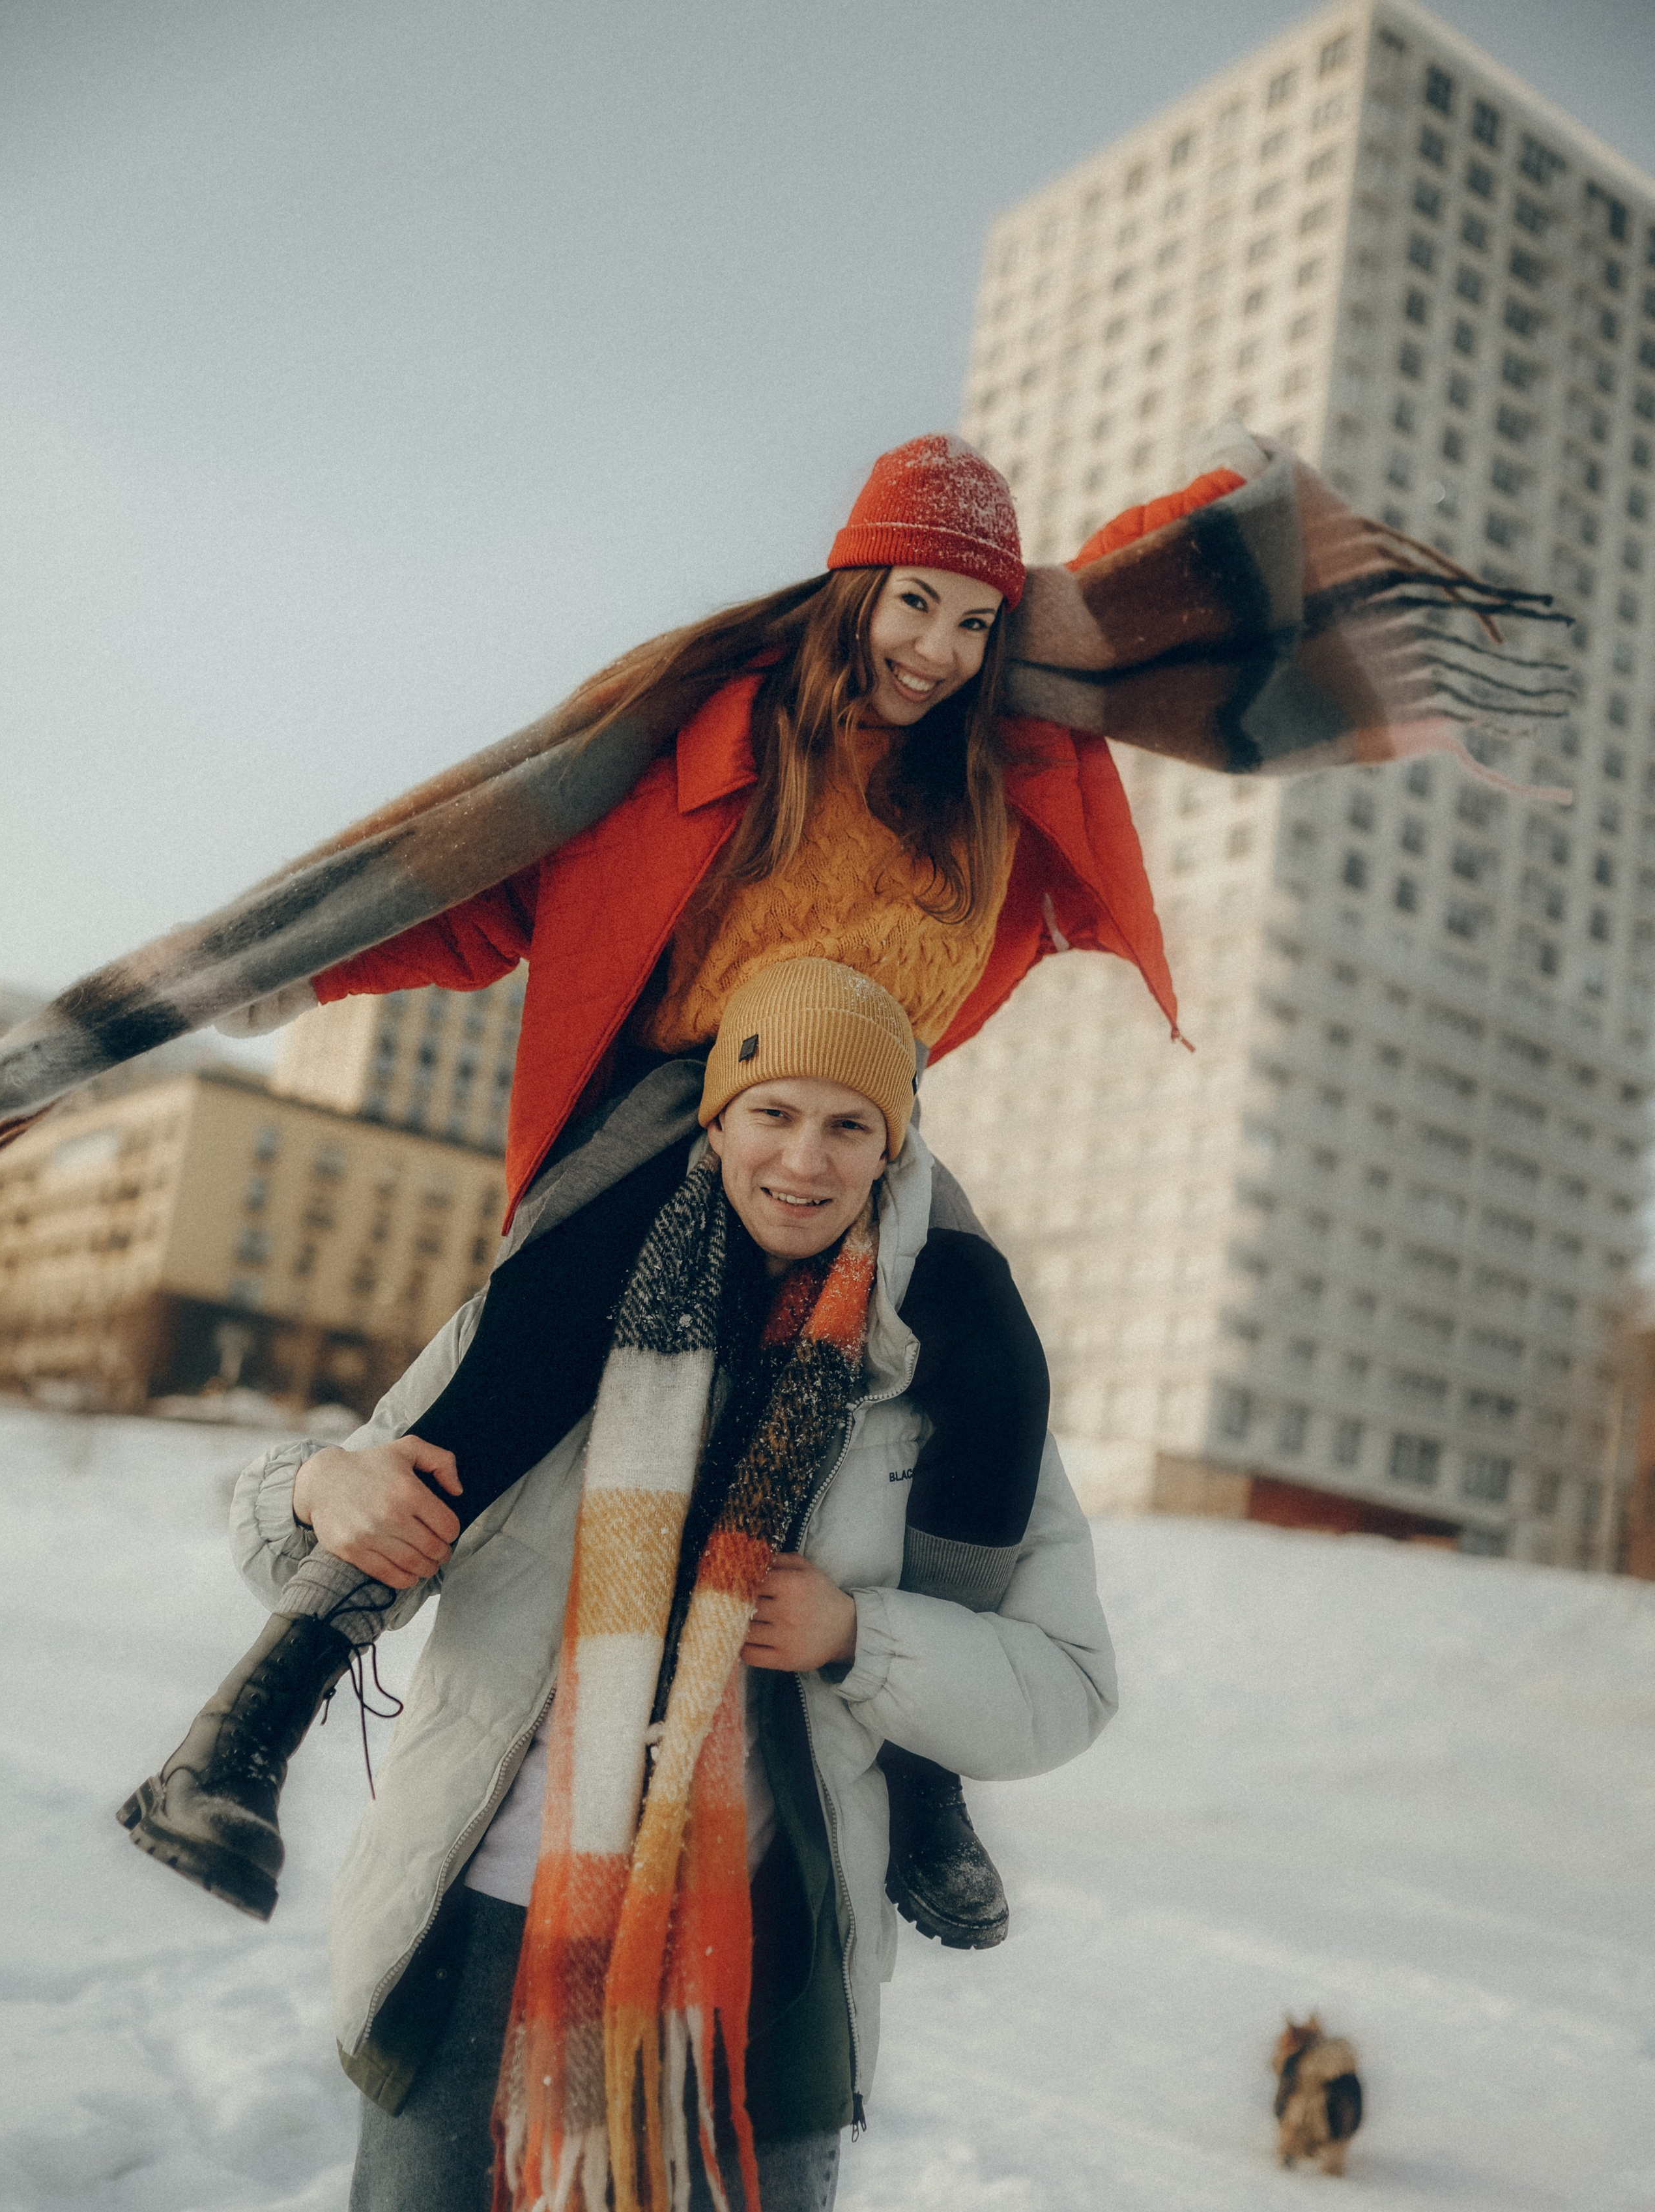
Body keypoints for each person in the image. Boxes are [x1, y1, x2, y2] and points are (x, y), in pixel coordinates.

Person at [120, 432, 1211, 1941]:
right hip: (680, 1104)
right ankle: (245, 1723)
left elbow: (1154, 608)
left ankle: (926, 1779)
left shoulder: (994, 769)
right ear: (852, 583)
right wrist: (283, 966)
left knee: (994, 1352)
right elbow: (471, 880)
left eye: (975, 623)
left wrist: (1233, 498)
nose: (940, 652)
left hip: (865, 1129)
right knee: (532, 1342)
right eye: (913, 604)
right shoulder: (708, 745)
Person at [227, 957, 1117, 2212]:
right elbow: (295, 1538)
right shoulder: (556, 1317)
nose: (804, 1159)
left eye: (851, 1128)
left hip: (753, 1962)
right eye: (771, 1111)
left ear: (892, 1151)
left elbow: (1064, 1684)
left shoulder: (946, 1382)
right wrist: (317, 1485)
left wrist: (863, 1638)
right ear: (714, 1123)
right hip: (479, 1924)